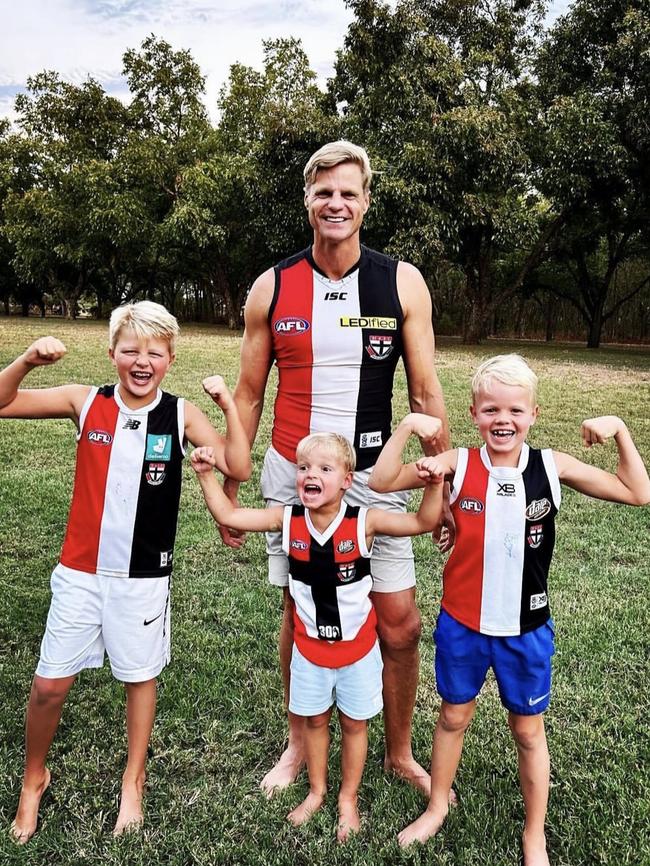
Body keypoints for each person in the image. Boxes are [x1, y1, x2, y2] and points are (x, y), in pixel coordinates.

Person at [218, 140, 451, 796]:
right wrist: (232, 485)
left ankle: (399, 750)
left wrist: (446, 480)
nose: (336, 203)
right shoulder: (274, 284)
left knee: (399, 620)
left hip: (380, 478)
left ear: (366, 201)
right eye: (324, 192)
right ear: (307, 201)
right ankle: (298, 746)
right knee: (301, 615)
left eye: (349, 192)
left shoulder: (401, 281)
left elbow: (427, 394)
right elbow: (247, 394)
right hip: (296, 478)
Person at [369, 354, 650, 865]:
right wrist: (409, 426)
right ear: (474, 413)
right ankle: (436, 807)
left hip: (527, 629)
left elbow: (638, 492)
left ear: (534, 414)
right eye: (491, 408)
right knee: (453, 718)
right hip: (462, 625)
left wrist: (621, 432)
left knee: (528, 730)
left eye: (516, 410)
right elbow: (382, 482)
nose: (504, 419)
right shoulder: (457, 463)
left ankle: (534, 834)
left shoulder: (551, 466)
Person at [0, 302, 251, 843]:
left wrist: (227, 404)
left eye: (154, 352)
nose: (142, 361)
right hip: (80, 573)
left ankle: (132, 781)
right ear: (112, 353)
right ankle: (32, 779)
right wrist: (25, 360)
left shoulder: (180, 415)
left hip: (143, 577)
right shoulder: (84, 401)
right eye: (131, 350)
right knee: (48, 685)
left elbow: (237, 464)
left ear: (170, 358)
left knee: (140, 678)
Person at [191, 421, 444, 841]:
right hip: (309, 652)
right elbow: (229, 514)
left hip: (359, 653)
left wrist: (434, 484)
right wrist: (204, 475)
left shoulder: (365, 522)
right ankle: (316, 791)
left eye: (325, 469)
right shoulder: (286, 519)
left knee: (354, 726)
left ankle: (348, 799)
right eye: (304, 467)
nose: (311, 475)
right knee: (313, 722)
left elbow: (422, 521)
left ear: (347, 481)